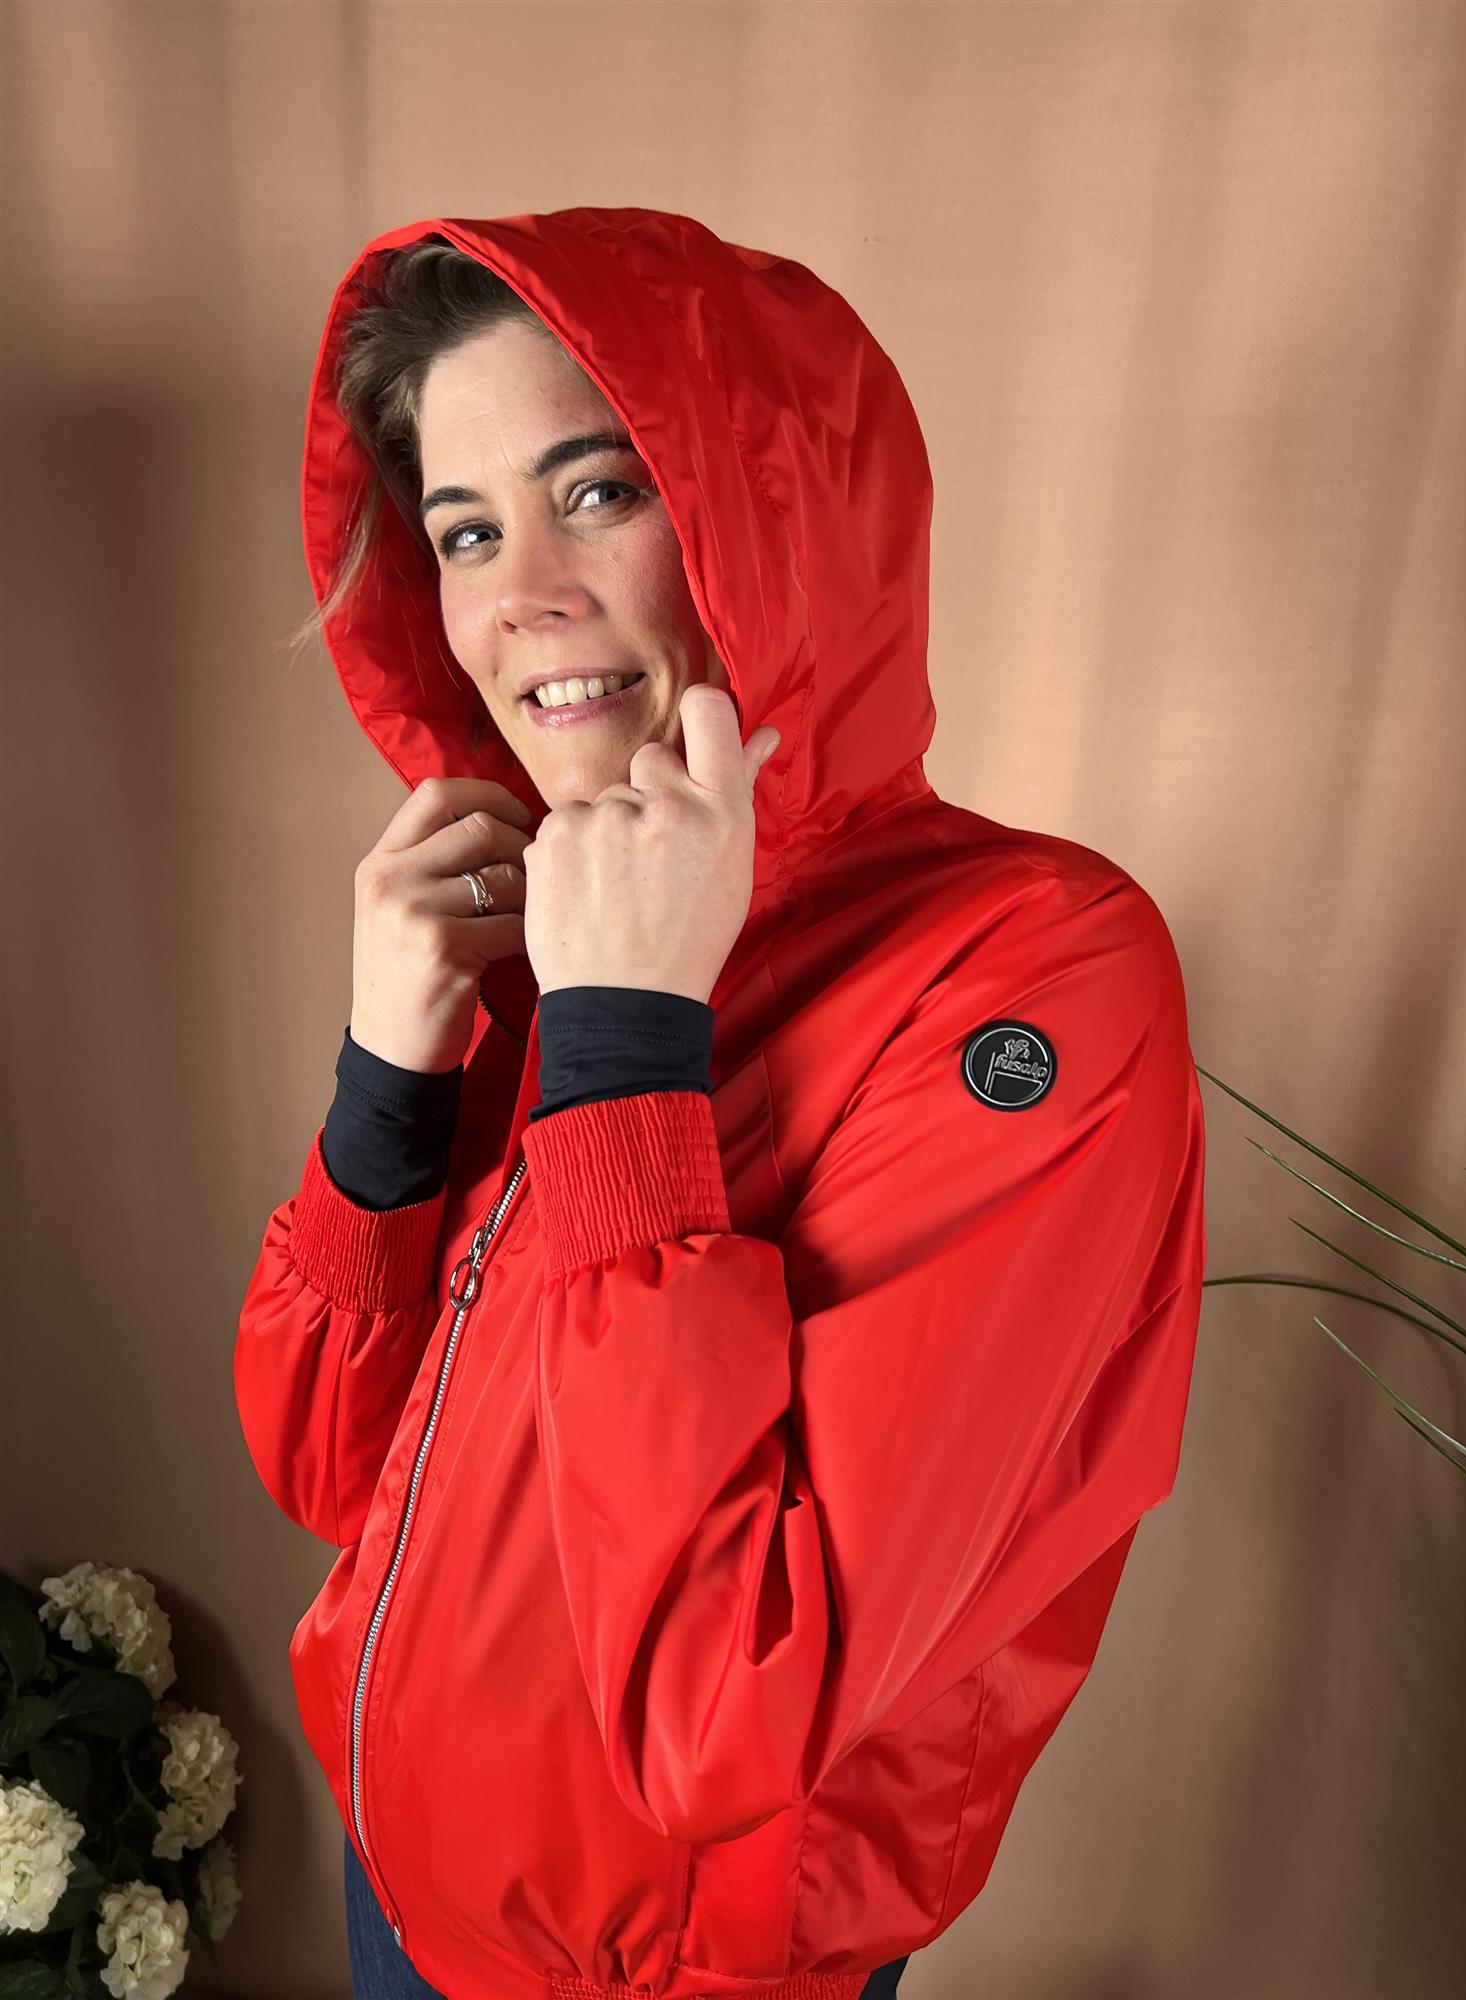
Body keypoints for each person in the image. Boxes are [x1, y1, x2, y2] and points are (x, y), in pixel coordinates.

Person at [233, 207, 1207, 2000]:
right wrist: (389, 1079)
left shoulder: (1036, 972)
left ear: (785, 524)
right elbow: (326, 1467)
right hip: (402, 1888)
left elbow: (726, 1708)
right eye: (465, 529)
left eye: (600, 492)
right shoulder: (572, 919)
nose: (517, 597)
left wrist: (627, 1049)